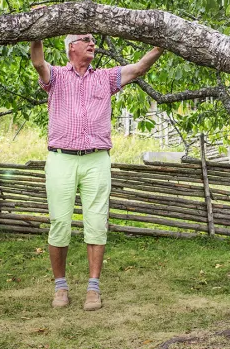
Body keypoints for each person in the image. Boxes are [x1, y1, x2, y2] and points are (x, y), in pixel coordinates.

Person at [30, 32, 163, 311]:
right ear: (71, 47)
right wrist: (37, 32)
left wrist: (162, 45)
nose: (92, 44)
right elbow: (38, 62)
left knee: (96, 223)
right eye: (86, 39)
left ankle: (93, 288)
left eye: (93, 39)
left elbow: (139, 68)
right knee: (60, 224)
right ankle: (60, 287)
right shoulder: (55, 76)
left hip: (96, 160)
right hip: (61, 159)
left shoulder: (105, 76)